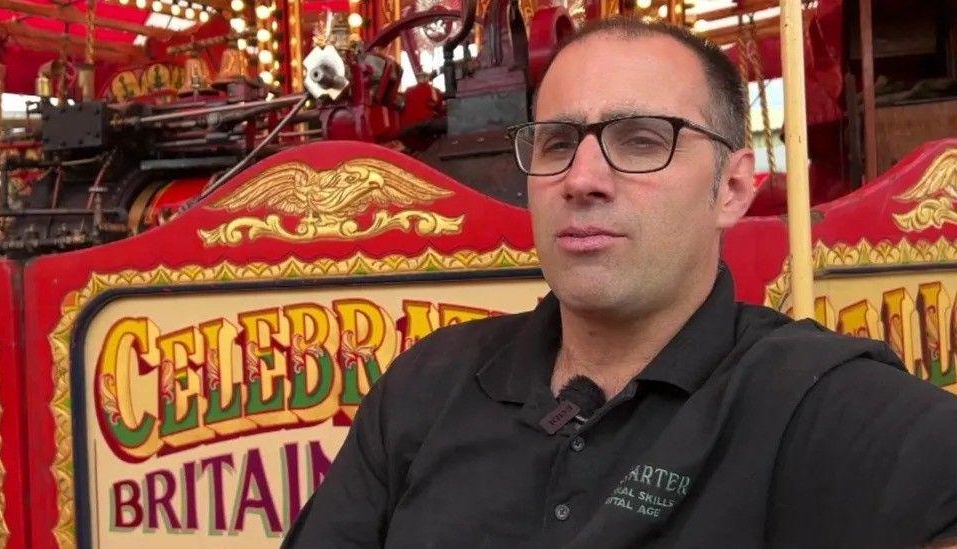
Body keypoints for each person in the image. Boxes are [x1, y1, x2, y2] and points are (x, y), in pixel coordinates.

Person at [283, 17, 957, 548]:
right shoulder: (426, 387)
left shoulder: (808, 398)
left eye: (640, 139)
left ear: (732, 187)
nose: (581, 179)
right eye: (555, 143)